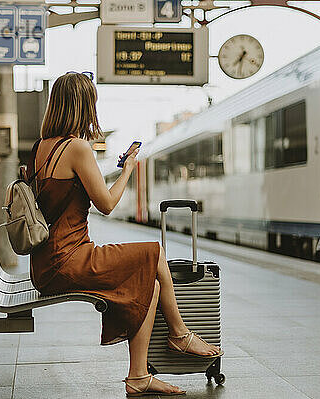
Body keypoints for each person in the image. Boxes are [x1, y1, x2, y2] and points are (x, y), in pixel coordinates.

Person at [28, 72, 223, 397]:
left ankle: (139, 376)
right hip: (69, 259)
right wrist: (129, 171)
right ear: (85, 105)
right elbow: (106, 204)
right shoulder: (77, 148)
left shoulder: (41, 148)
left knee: (152, 281)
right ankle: (180, 334)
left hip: (49, 261)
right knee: (154, 253)